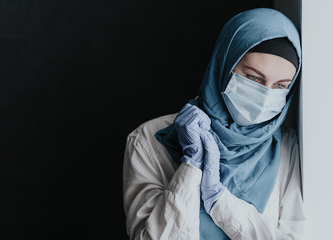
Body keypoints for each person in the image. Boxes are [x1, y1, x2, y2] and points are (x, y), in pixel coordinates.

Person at [123, 8, 305, 240]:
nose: (265, 96)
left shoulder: (287, 150)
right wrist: (190, 169)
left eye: (280, 86)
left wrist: (220, 200)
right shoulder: (148, 139)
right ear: (224, 66)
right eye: (253, 78)